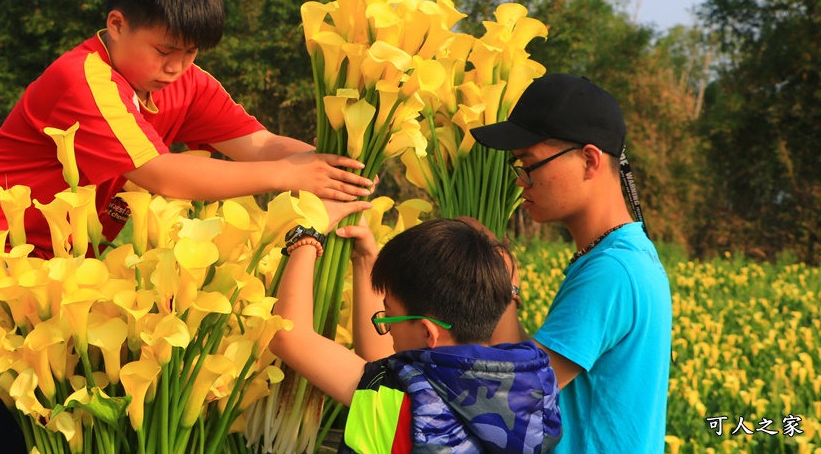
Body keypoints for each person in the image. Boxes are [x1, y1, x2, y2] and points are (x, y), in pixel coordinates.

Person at [0, 0, 375, 454]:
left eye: (191, 54)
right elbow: (160, 174)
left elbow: (256, 143)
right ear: (117, 25)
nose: (178, 67)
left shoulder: (182, 80)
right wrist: (289, 174)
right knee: (4, 414)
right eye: (166, 51)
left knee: (33, 412)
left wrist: (337, 164)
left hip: (65, 263)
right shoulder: (85, 79)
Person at [469, 73, 672, 454]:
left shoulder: (612, 271)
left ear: (589, 160)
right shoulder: (622, 256)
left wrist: (499, 282)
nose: (520, 181)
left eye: (527, 163)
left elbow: (519, 394)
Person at [270, 214, 562, 454]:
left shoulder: (397, 403)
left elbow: (288, 336)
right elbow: (386, 361)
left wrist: (308, 235)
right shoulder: (534, 385)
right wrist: (365, 259)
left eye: (391, 316)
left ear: (427, 332)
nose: (388, 328)